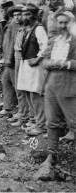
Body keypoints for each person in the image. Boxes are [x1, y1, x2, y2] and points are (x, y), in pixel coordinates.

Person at [36, 12, 76, 179]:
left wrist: (63, 63)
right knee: (51, 122)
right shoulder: (54, 40)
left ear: (71, 23)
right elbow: (44, 61)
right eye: (59, 22)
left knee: (74, 122)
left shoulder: (74, 41)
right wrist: (50, 64)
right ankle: (51, 157)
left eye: (65, 23)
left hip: (69, 85)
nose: (61, 26)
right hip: (51, 85)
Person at [17, 4, 48, 136]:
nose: (25, 16)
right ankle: (36, 120)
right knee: (28, 92)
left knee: (36, 95)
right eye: (24, 14)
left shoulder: (39, 29)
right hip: (26, 65)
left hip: (35, 66)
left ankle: (42, 125)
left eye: (28, 14)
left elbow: (46, 46)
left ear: (34, 15)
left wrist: (37, 58)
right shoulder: (27, 29)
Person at [0, 6, 23, 116]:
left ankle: (21, 111)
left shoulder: (19, 26)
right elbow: (6, 43)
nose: (17, 17)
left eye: (19, 14)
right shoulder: (11, 24)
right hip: (8, 60)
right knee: (5, 81)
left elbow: (13, 44)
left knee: (17, 85)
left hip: (14, 61)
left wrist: (9, 59)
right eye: (15, 15)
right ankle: (8, 106)